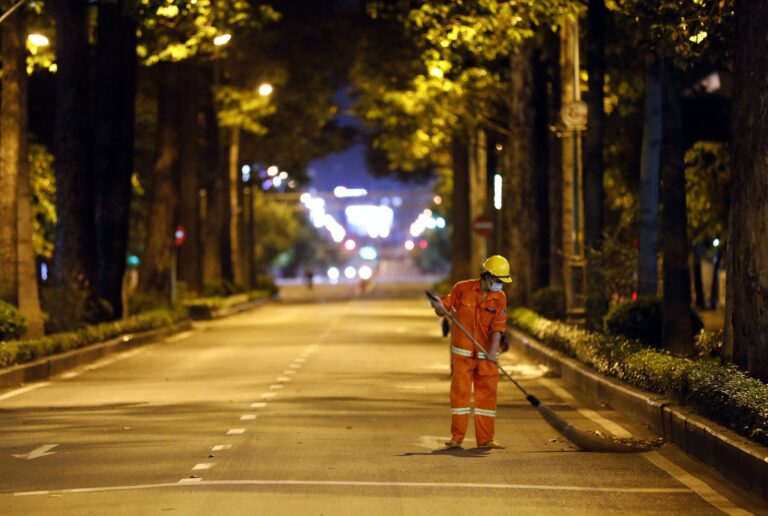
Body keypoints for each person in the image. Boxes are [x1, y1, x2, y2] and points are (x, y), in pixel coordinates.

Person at [428, 255, 511, 450]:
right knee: (460, 397)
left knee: (487, 398)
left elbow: (499, 327)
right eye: (498, 280)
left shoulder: (500, 298)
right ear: (487, 276)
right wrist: (439, 307)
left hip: (487, 358)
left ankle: (486, 439)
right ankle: (456, 438)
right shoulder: (462, 289)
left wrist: (492, 350)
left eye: (502, 281)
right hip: (463, 355)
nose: (500, 285)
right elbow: (444, 308)